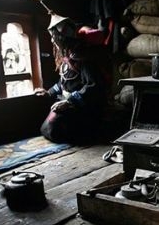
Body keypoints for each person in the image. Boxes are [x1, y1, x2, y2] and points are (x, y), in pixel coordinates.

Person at [35, 15, 107, 144]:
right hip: (68, 103)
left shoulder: (83, 58)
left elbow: (94, 86)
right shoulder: (67, 57)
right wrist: (49, 92)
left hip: (83, 107)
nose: (52, 41)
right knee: (46, 129)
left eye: (54, 37)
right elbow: (64, 81)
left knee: (54, 131)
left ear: (64, 37)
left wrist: (70, 101)